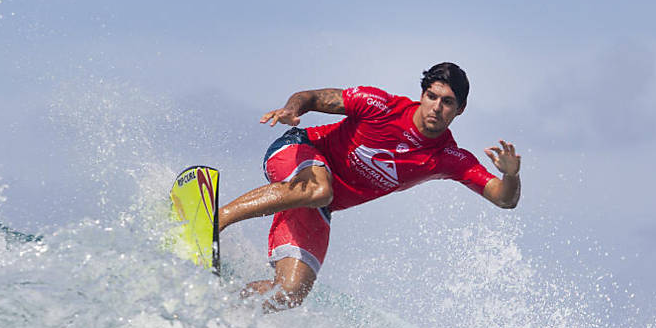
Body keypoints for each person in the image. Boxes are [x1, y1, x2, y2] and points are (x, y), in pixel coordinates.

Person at [217, 62, 522, 311]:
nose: (436, 107)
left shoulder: (448, 158)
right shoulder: (380, 105)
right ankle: (217, 219)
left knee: (290, 293)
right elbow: (309, 97)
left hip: (318, 202)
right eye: (431, 96)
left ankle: (221, 302)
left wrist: (511, 175)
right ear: (422, 95)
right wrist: (290, 110)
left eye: (447, 102)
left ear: (460, 109)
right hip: (297, 150)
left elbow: (504, 199)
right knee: (320, 189)